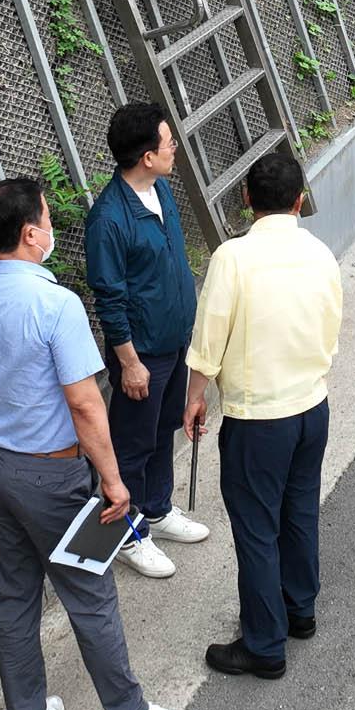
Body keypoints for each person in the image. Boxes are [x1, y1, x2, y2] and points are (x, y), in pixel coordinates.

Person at [0, 177, 195, 710]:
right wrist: (113, 480)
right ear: (32, 235)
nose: (53, 231)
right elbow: (84, 402)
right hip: (52, 476)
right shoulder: (56, 305)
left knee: (13, 599)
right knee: (90, 594)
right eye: (49, 223)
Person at [182, 149, 342, 679]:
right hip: (311, 407)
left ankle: (264, 644)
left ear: (247, 200)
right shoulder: (321, 253)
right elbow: (332, 326)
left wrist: (196, 395)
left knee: (256, 528)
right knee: (300, 513)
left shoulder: (233, 258)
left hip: (258, 418)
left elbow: (208, 339)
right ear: (300, 201)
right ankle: (301, 610)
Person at [84, 103, 209, 579]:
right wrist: (130, 363)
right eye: (167, 143)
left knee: (162, 431)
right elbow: (110, 301)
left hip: (175, 343)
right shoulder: (109, 220)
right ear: (146, 157)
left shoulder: (160, 191)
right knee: (132, 445)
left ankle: (158, 508)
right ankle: (130, 535)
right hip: (143, 355)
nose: (174, 147)